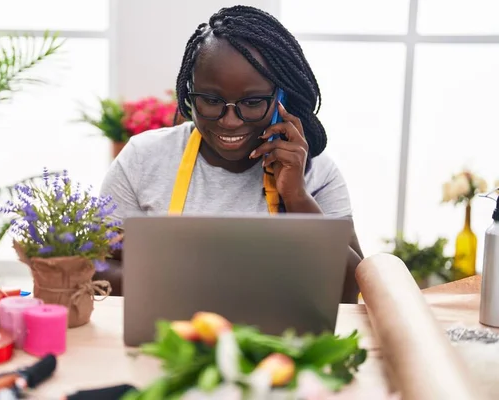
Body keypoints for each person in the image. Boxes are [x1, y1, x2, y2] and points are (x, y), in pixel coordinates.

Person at [99, 5, 364, 303]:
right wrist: (207, 285)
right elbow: (95, 267)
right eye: (211, 100)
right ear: (189, 92)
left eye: (252, 102)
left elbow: (350, 289)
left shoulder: (318, 173)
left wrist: (297, 196)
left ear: (281, 96)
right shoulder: (142, 159)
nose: (230, 121)